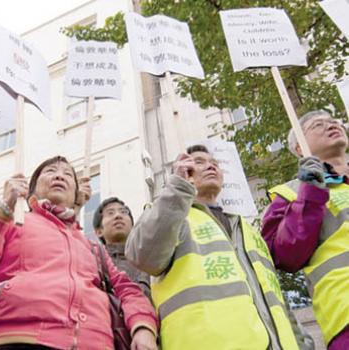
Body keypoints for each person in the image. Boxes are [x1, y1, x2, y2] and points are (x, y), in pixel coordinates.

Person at [0, 156, 157, 350]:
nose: (60, 176)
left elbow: (128, 290)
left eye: (68, 174)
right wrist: (2, 208)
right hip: (20, 340)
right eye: (51, 171)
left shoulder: (92, 247)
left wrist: (143, 328)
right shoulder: (9, 224)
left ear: (76, 195)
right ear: (31, 190)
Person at [126, 145, 309, 350]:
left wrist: (302, 341)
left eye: (214, 164)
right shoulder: (166, 215)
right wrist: (177, 188)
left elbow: (274, 295)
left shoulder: (246, 230)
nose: (210, 166)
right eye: (199, 162)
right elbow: (144, 255)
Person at [262, 110, 349, 349]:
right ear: (300, 147)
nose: (330, 125)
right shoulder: (290, 192)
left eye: (334, 121)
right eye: (318, 125)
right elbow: (286, 254)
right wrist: (310, 191)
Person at [93, 197, 151, 298]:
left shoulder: (148, 260)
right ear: (99, 231)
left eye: (123, 212)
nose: (118, 216)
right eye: (110, 213)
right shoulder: (94, 263)